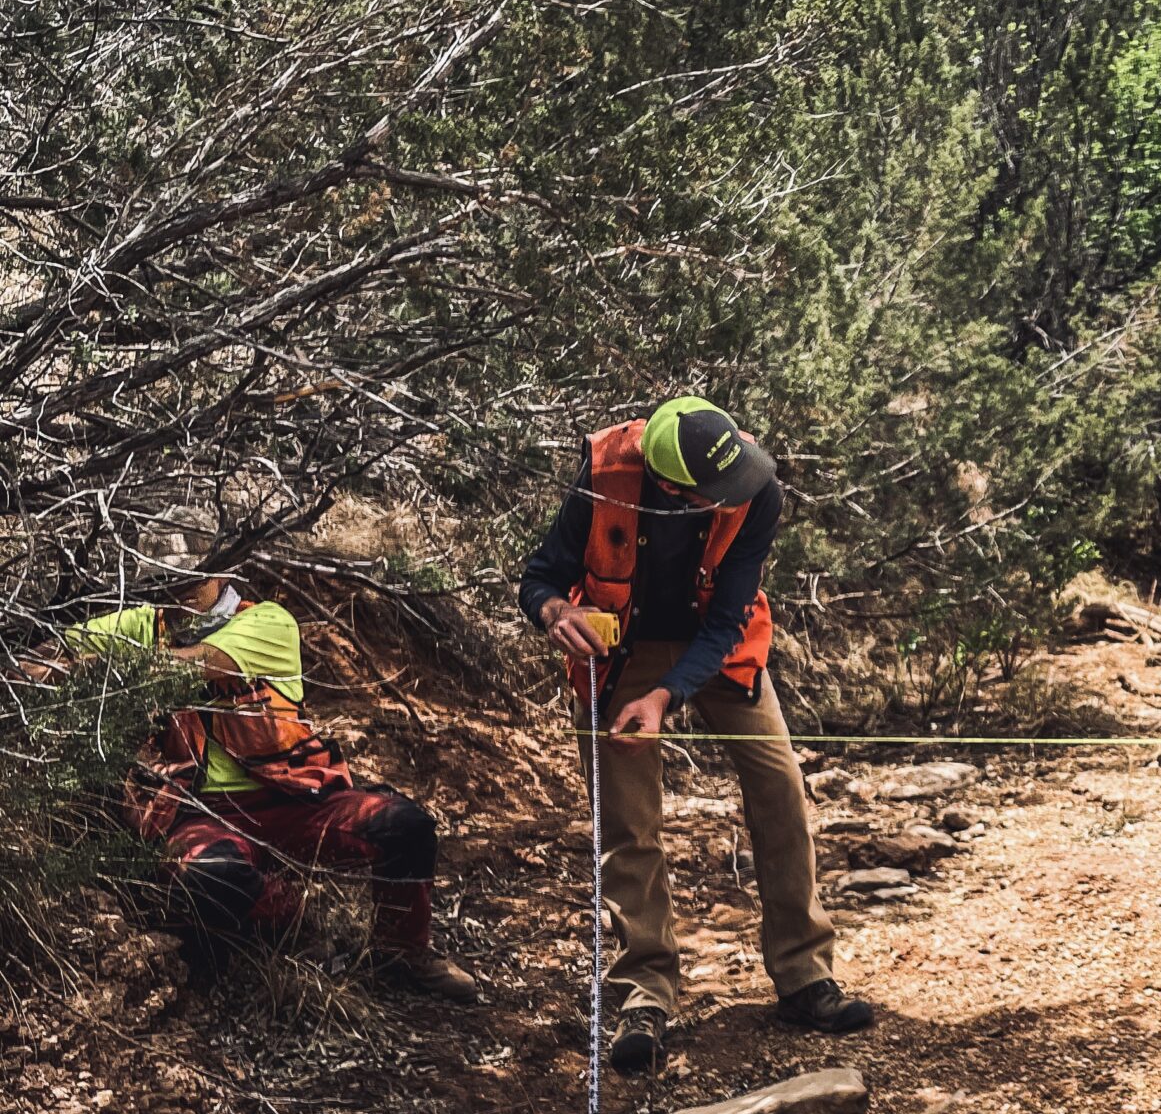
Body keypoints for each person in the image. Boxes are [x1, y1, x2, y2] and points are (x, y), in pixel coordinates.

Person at [519, 394, 871, 1073]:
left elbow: (730, 615)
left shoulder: (753, 484)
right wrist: (555, 610)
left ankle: (804, 975)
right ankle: (643, 994)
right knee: (626, 819)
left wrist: (667, 695)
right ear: (668, 485)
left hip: (719, 646)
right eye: (707, 492)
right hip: (621, 653)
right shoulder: (603, 474)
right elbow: (538, 577)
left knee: (780, 787)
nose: (727, 495)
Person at [61, 544, 477, 999]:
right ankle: (299, 920)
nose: (176, 595)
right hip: (197, 815)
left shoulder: (267, 622)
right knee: (210, 877)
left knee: (405, 827)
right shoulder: (140, 625)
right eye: (164, 583)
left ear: (220, 571)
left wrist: (97, 667)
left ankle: (403, 954)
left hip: (290, 800)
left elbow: (191, 665)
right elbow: (52, 651)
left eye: (189, 581)